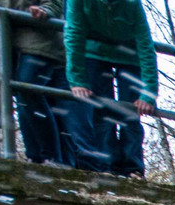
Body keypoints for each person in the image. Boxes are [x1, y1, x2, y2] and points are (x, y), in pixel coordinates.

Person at [66, 0, 157, 177]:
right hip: (93, 52)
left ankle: (133, 169)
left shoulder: (132, 4)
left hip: (129, 55)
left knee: (130, 110)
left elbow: (146, 46)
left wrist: (148, 93)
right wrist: (77, 80)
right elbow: (74, 34)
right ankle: (105, 166)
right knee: (101, 110)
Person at [4, 0, 91, 167]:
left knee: (28, 91)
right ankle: (37, 156)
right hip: (13, 42)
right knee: (24, 99)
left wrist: (45, 10)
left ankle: (50, 156)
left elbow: (55, 4)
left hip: (41, 43)